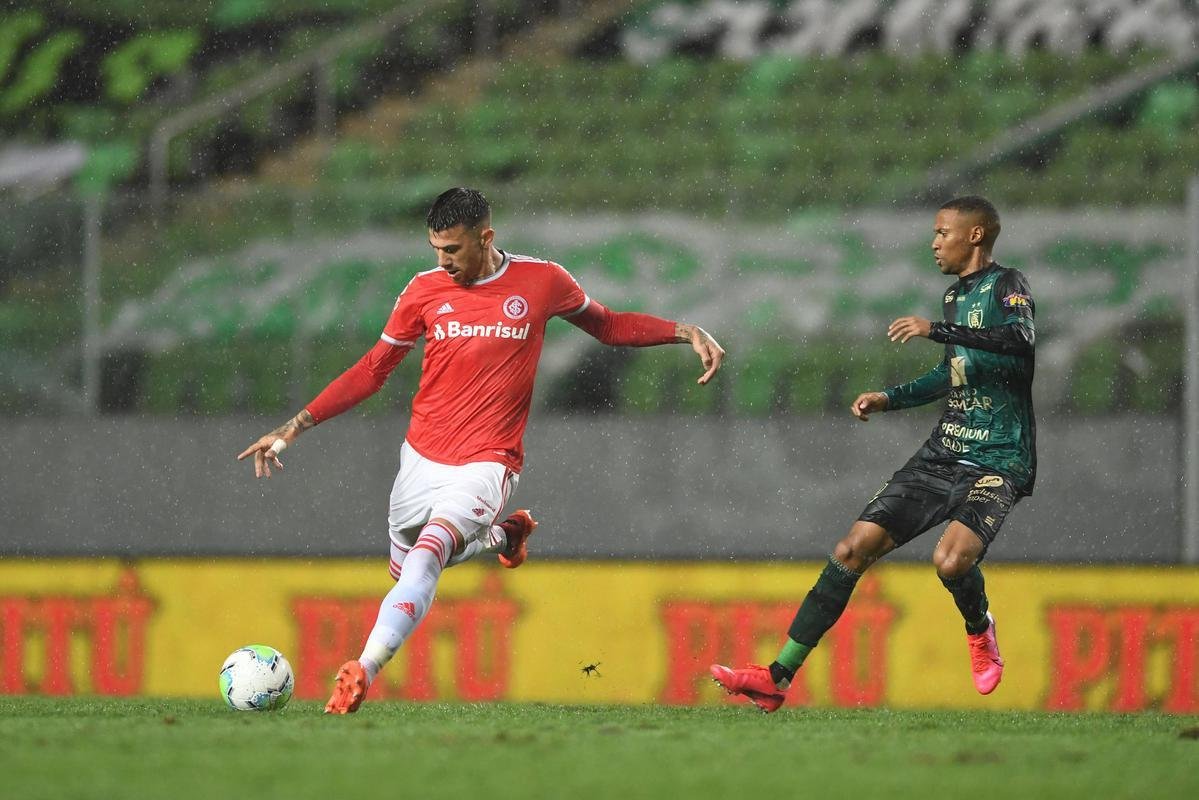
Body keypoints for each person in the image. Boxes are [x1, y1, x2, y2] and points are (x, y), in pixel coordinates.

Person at [238, 187, 725, 713]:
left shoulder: (542, 282)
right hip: (420, 458)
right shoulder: (424, 291)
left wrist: (685, 331)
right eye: (435, 250)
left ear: (485, 238)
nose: (443, 262)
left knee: (429, 553)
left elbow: (607, 325)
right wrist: (291, 428)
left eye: (453, 250)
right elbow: (372, 370)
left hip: (488, 460)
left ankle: (363, 669)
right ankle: (500, 535)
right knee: (408, 569)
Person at [711, 196, 1035, 713]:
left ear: (975, 236)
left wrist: (936, 329)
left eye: (942, 232)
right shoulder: (954, 298)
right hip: (943, 452)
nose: (934, 243)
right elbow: (951, 374)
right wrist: (891, 397)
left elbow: (1019, 340)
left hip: (1000, 457)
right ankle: (777, 676)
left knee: (951, 562)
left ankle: (979, 628)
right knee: (851, 549)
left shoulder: (1009, 285)